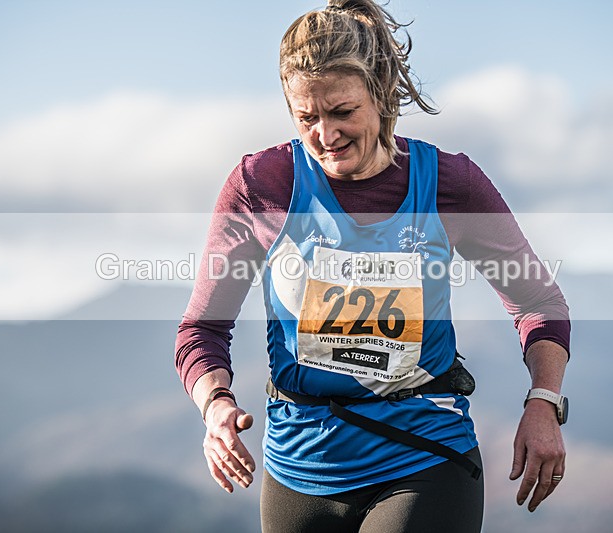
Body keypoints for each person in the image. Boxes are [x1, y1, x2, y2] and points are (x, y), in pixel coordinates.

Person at [175, 1, 570, 531]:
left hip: (424, 455)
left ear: (382, 96)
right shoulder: (261, 186)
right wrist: (216, 406)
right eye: (306, 117)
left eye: (342, 112)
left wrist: (543, 402)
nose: (325, 135)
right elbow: (202, 328)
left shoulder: (449, 184)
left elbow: (538, 302)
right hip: (300, 465)